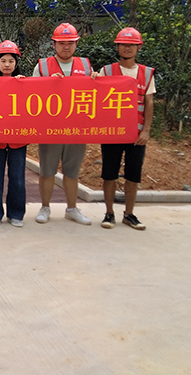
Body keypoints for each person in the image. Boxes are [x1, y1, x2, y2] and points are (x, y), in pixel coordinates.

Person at [32, 23, 93, 226]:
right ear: (54, 44)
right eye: (61, 43)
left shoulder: (86, 67)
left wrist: (97, 80)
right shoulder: (42, 67)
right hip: (51, 128)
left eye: (70, 43)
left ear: (76, 44)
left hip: (77, 128)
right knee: (47, 170)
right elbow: (31, 94)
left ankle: (72, 208)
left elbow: (95, 94)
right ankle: (45, 207)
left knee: (72, 171)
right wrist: (47, 83)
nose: (66, 47)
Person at [98, 27, 154, 231]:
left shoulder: (146, 73)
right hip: (112, 133)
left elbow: (149, 103)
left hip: (136, 135)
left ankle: (129, 214)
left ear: (139, 47)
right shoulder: (106, 71)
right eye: (123, 44)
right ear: (117, 47)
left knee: (133, 175)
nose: (127, 48)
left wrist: (146, 131)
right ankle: (109, 213)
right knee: (109, 173)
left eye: (131, 45)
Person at [0, 40, 27, 227]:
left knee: (17, 178)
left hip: (18, 138)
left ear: (16, 63)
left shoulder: (25, 83)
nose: (7, 65)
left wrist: (24, 86)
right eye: (3, 61)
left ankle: (16, 213)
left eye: (11, 61)